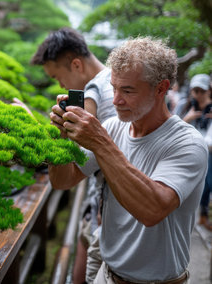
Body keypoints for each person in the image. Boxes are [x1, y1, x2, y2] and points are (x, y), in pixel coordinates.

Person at [49, 37, 207, 283]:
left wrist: (101, 143)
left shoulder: (188, 143)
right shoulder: (112, 127)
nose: (115, 101)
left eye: (128, 91)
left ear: (161, 88)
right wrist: (58, 139)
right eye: (114, 88)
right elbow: (64, 180)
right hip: (107, 272)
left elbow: (152, 210)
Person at [28, 27, 116, 284]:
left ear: (76, 64)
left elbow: (65, 179)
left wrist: (59, 135)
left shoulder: (99, 96)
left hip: (105, 220)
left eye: (58, 77)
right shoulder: (112, 83)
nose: (60, 85)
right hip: (97, 207)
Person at [175, 73, 212, 230]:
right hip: (185, 152)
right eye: (195, 91)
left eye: (201, 91)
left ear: (209, 90)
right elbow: (169, 129)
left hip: (207, 153)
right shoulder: (184, 106)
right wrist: (187, 119)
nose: (198, 95)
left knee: (207, 182)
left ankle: (203, 214)